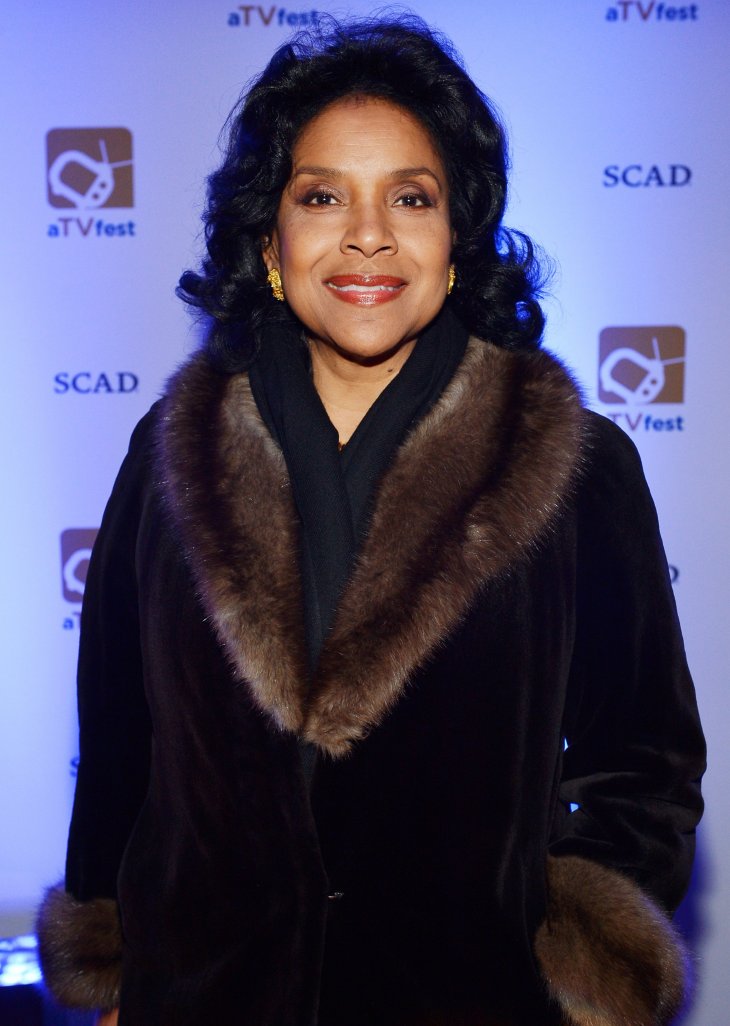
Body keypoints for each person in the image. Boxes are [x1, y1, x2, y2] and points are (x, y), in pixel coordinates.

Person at [36, 16, 705, 1026]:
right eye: (321, 197)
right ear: (271, 240)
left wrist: (576, 975)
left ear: (455, 237)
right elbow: (122, 738)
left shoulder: (573, 462)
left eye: (410, 196)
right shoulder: (175, 450)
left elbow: (643, 757)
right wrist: (120, 963)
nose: (367, 235)